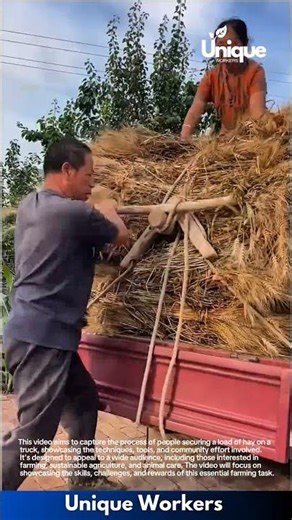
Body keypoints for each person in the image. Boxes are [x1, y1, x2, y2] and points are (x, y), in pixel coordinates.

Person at [1, 136, 129, 491]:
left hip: (33, 330)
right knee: (35, 434)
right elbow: (121, 236)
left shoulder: (31, 205)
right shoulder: (74, 213)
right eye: (89, 177)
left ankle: (84, 476)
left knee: (84, 398)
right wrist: (110, 207)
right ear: (67, 170)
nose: (91, 186)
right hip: (44, 337)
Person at [180, 18, 267, 139]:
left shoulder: (255, 72)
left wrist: (239, 136)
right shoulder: (211, 76)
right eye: (220, 46)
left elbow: (257, 113)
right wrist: (183, 139)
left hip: (249, 140)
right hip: (224, 142)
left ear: (243, 44)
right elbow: (196, 108)